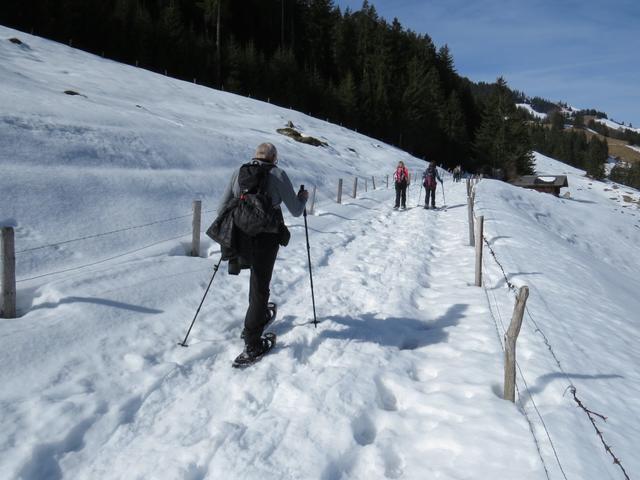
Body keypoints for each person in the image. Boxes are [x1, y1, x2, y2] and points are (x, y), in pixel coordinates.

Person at [217, 142, 308, 362]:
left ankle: (257, 317)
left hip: (239, 234)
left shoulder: (239, 172)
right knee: (260, 286)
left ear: (255, 155)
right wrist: (303, 198)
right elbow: (296, 211)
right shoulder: (277, 173)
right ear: (274, 157)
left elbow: (222, 208)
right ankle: (252, 342)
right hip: (266, 237)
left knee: (256, 284)